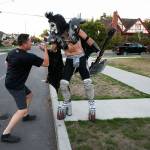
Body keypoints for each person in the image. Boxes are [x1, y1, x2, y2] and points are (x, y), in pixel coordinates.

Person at [45, 12, 101, 121]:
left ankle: (92, 106)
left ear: (58, 23)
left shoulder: (73, 28)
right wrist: (46, 48)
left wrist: (97, 49)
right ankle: (66, 103)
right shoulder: (56, 36)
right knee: (63, 83)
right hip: (69, 60)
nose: (51, 28)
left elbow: (87, 39)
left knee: (87, 82)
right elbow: (54, 49)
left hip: (81, 58)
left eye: (52, 24)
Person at [1, 34, 49, 143]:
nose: (31, 43)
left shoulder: (12, 52)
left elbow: (6, 63)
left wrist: (13, 72)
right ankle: (5, 134)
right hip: (15, 85)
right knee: (21, 109)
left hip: (12, 82)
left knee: (29, 95)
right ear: (24, 44)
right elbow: (46, 63)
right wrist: (45, 50)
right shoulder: (28, 57)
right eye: (30, 41)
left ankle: (26, 116)